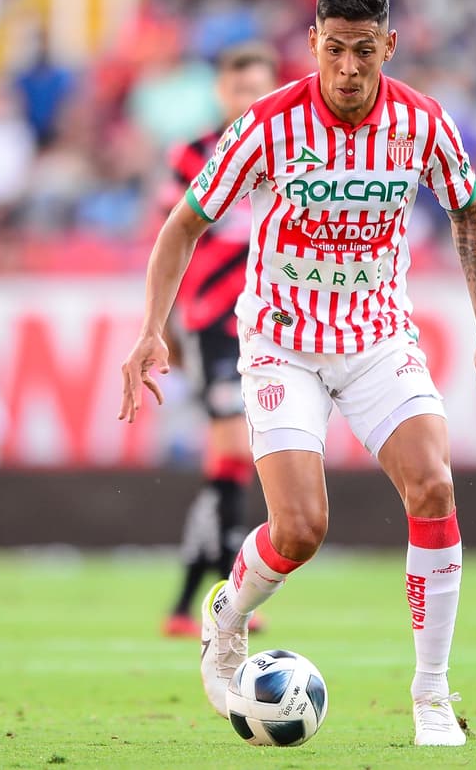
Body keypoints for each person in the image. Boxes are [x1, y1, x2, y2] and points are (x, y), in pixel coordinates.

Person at [118, 0, 476, 747]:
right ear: (312, 44)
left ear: (389, 47)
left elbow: (471, 216)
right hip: (281, 343)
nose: (347, 67)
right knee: (301, 527)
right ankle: (227, 614)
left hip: (378, 337)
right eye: (333, 49)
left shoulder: (422, 122)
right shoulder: (265, 126)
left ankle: (432, 695)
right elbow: (182, 225)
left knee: (435, 485)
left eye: (364, 51)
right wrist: (151, 328)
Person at [159, 43, 280, 639]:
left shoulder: (291, 147)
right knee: (233, 452)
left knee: (230, 464)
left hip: (270, 323)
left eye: (260, 90)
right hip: (214, 323)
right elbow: (172, 234)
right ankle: (229, 601)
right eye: (239, 91)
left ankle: (187, 604)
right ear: (221, 94)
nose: (249, 101)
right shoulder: (194, 155)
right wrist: (163, 325)